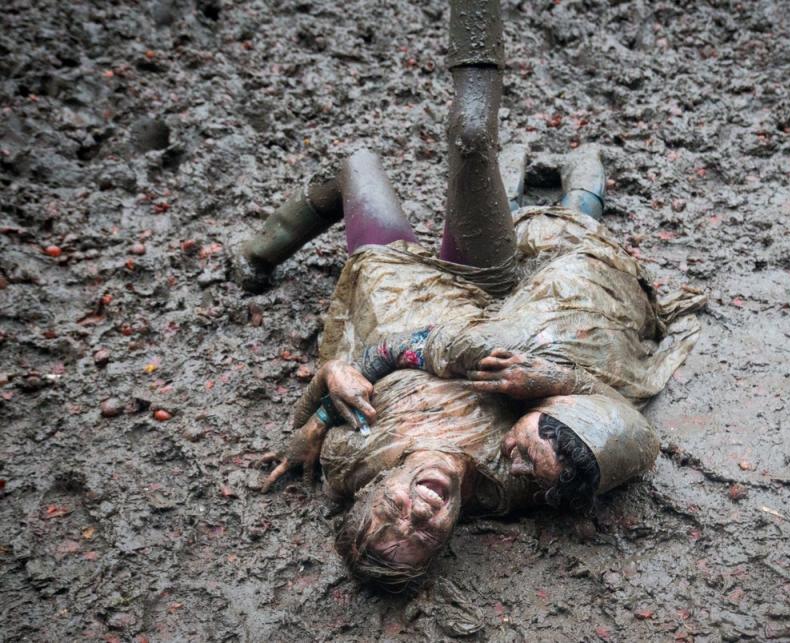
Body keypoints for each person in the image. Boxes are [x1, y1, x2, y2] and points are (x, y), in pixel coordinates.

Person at [239, 0, 705, 587]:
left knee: (357, 163)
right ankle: (569, 164)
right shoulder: (513, 477)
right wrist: (551, 389)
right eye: (426, 533)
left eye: (393, 514)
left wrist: (326, 392)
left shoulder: (348, 459)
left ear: (374, 490)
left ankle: (253, 255)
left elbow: (359, 374)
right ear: (451, 536)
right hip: (480, 287)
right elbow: (614, 415)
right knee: (475, 141)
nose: (420, 511)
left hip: (391, 289)